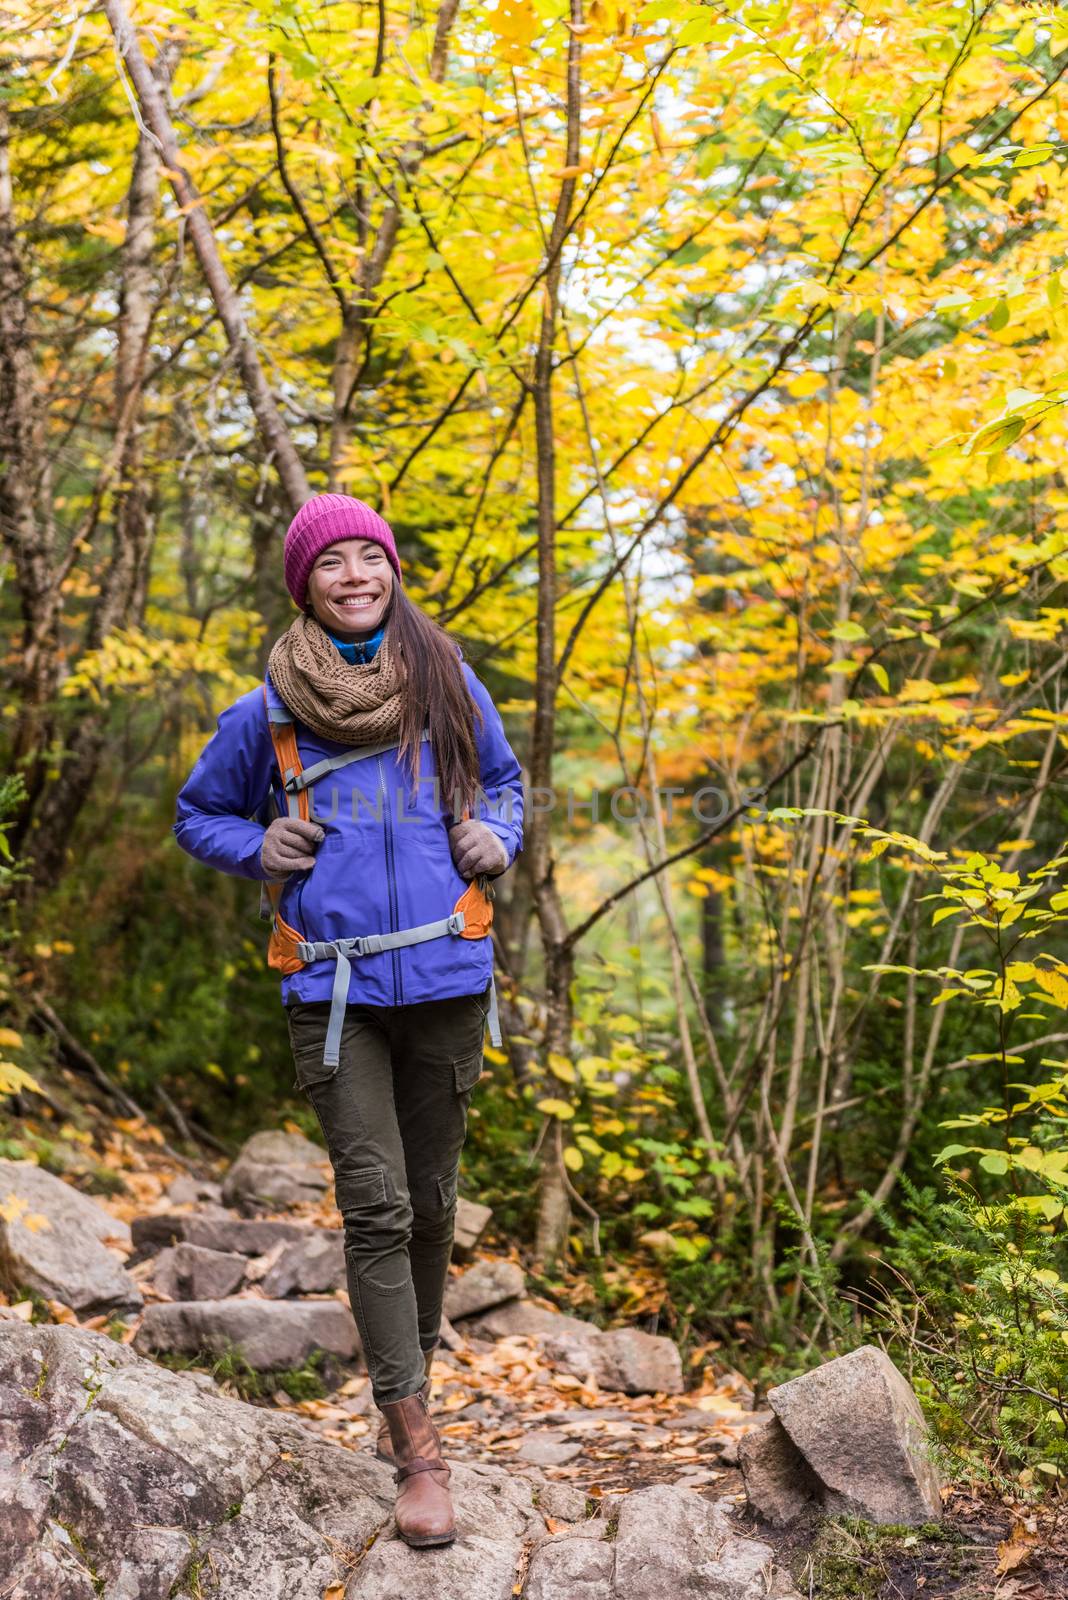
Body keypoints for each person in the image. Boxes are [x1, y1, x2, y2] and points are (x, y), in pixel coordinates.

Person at [172, 493, 524, 1548]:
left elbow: (504, 786)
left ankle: (401, 1382)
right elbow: (201, 812)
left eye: (371, 557)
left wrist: (495, 838)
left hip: (450, 979)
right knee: (375, 1206)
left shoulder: (448, 686)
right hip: (332, 996)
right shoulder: (266, 712)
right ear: (306, 584)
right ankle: (419, 1443)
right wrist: (255, 849)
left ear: (391, 571)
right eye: (335, 563)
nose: (356, 574)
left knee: (429, 1200)